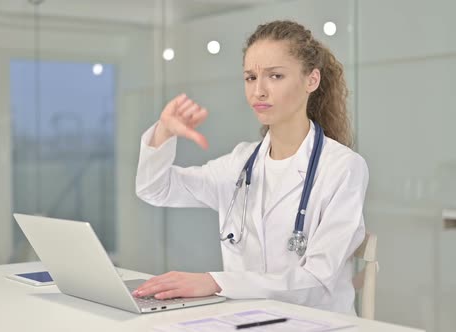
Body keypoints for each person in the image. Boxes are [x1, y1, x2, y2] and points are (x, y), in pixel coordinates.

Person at [132, 20, 369, 315]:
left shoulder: (342, 167)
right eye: (250, 77)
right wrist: (163, 133)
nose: (259, 91)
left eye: (276, 76)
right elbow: (155, 189)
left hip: (313, 322)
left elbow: (316, 282)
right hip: (244, 319)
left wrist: (215, 282)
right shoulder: (240, 163)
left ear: (312, 80)